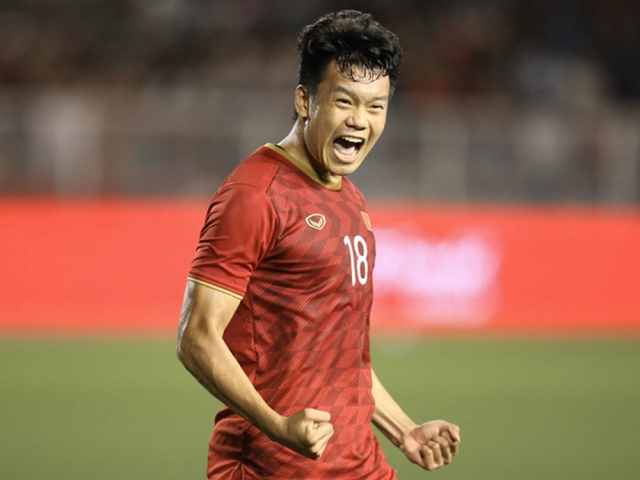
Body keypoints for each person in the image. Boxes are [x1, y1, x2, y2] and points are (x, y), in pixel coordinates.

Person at [177, 9, 460, 479]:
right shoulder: (255, 194)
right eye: (345, 101)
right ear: (305, 100)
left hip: (360, 465)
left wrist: (404, 429)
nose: (360, 120)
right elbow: (197, 337)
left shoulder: (352, 201)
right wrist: (278, 426)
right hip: (270, 468)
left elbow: (341, 355)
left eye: (376, 107)